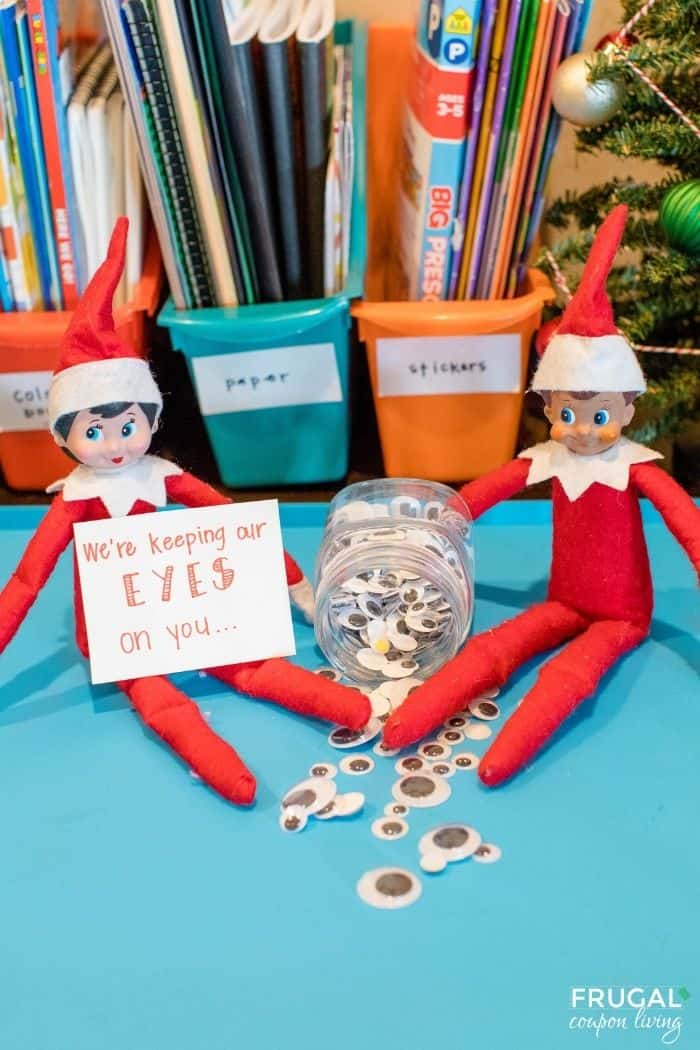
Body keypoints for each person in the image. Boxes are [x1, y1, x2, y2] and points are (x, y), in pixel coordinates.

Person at [0, 218, 370, 806]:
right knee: (158, 699)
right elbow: (27, 579)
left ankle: (354, 708)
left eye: (128, 426)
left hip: (186, 608)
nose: (114, 443)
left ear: (149, 419)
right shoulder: (76, 497)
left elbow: (231, 522)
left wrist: (295, 584)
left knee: (251, 666)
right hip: (116, 629)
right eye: (93, 431)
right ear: (64, 436)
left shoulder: (161, 477)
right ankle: (223, 768)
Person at [382, 205, 700, 785]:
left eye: (600, 414)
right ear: (549, 407)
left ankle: (501, 758)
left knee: (571, 674)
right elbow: (487, 490)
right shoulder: (551, 460)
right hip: (564, 599)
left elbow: (685, 519)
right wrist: (447, 517)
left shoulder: (633, 468)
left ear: (629, 409)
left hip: (623, 615)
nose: (583, 430)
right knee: (493, 649)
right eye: (567, 414)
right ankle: (406, 721)